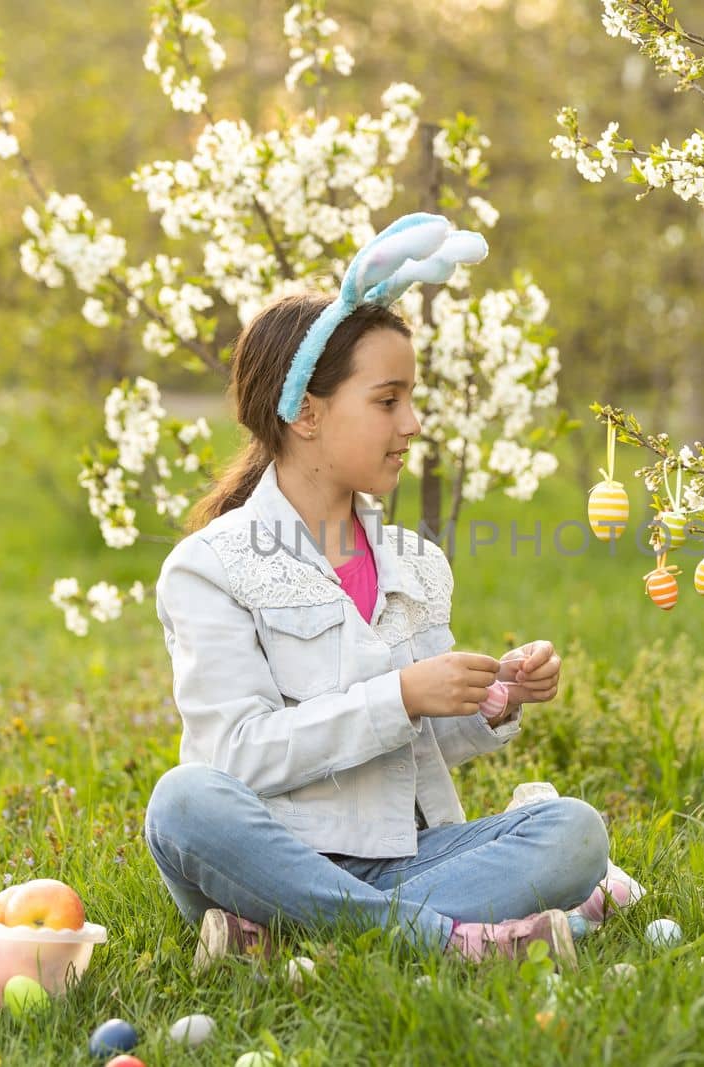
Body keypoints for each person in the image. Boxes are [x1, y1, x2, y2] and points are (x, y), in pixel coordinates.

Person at [143, 215, 615, 972]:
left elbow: (421, 747)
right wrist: (398, 695)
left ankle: (302, 938)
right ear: (305, 412)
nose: (413, 423)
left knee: (576, 832)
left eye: (411, 400)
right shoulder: (212, 565)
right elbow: (235, 757)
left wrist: (494, 699)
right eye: (388, 400)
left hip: (408, 855)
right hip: (268, 860)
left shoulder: (415, 564)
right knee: (182, 802)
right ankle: (446, 938)